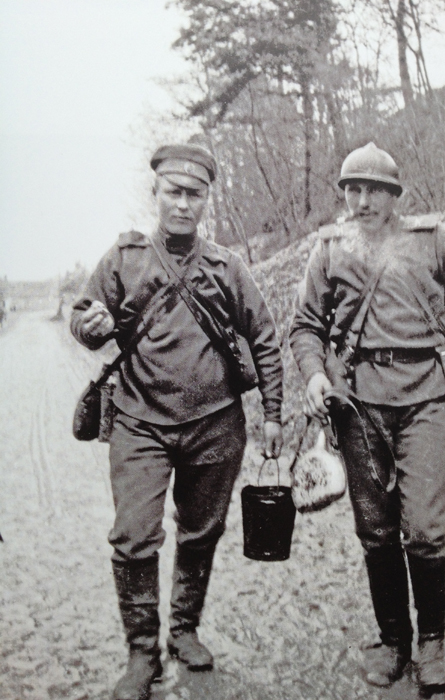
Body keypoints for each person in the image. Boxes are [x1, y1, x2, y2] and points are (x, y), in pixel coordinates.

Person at [289, 142, 445, 693]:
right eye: (353, 189)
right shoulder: (329, 250)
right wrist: (316, 374)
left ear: (395, 197)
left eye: (374, 191)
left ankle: (432, 641)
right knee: (376, 532)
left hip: (425, 403)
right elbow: (304, 327)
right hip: (358, 407)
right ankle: (394, 640)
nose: (363, 201)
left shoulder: (433, 240)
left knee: (427, 529)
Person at [70, 143, 283, 700]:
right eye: (174, 193)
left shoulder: (226, 266)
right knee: (134, 537)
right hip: (139, 422)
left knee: (201, 530)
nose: (184, 205)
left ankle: (184, 631)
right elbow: (86, 318)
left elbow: (264, 338)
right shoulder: (124, 258)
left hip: (216, 424)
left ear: (207, 199)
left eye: (195, 195)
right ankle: (142, 654)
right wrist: (90, 327)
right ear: (157, 194)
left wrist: (276, 417)